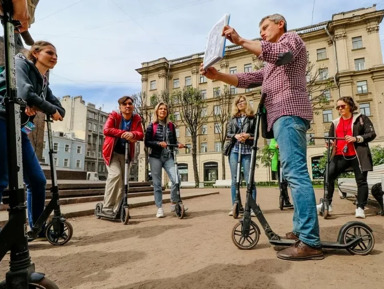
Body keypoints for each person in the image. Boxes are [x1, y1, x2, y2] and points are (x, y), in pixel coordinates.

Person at [200, 14, 323, 260]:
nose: (262, 33)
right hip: (279, 118)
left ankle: (310, 241)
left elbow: (276, 52)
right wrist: (219, 76)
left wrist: (240, 40)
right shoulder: (271, 65)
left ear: (281, 24)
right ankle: (301, 231)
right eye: (260, 30)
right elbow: (247, 79)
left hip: (289, 113)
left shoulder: (292, 41)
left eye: (265, 28)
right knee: (291, 172)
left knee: (296, 173)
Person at [0, 41, 65, 238]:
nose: (54, 57)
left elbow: (60, 109)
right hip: (2, 119)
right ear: (35, 53)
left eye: (56, 54)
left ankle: (37, 228)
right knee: (1, 178)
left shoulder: (44, 82)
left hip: (18, 128)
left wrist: (37, 104)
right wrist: (40, 104)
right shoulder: (19, 64)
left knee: (37, 181)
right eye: (50, 52)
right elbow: (24, 92)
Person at [316, 96, 376, 218]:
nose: (340, 109)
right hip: (339, 155)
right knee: (328, 175)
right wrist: (329, 142)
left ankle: (360, 207)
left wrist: (357, 138)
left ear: (350, 106)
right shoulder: (335, 122)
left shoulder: (361, 119)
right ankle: (327, 203)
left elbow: (371, 134)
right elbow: (331, 138)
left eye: (342, 106)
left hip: (357, 155)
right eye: (338, 107)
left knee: (361, 181)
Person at [101, 96, 144, 214]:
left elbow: (140, 134)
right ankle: (107, 206)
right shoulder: (114, 116)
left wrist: (133, 134)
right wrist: (124, 133)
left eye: (130, 103)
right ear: (120, 107)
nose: (128, 106)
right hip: (111, 153)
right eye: (124, 104)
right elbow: (106, 129)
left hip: (126, 154)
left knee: (124, 182)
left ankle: (118, 207)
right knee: (115, 175)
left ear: (133, 106)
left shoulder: (136, 118)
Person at [145, 102, 185, 218]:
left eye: (165, 109)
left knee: (176, 179)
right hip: (155, 157)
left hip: (168, 157)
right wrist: (158, 143)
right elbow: (147, 142)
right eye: (161, 109)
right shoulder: (151, 125)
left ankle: (173, 203)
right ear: (157, 111)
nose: (163, 111)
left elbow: (173, 141)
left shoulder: (171, 125)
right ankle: (159, 208)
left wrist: (179, 144)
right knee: (157, 184)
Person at [226, 95, 256, 216]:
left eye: (242, 101)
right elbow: (228, 133)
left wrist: (248, 135)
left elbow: (255, 133)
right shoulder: (232, 118)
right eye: (238, 102)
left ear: (246, 103)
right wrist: (236, 136)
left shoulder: (252, 118)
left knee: (250, 180)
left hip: (248, 150)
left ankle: (252, 206)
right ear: (236, 105)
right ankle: (236, 205)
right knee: (234, 179)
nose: (241, 103)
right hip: (234, 150)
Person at [269, 138, 293, 208]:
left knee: (286, 181)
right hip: (278, 162)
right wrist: (276, 145)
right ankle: (285, 199)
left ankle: (286, 199)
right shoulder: (274, 138)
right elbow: (271, 145)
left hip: (286, 161)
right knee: (281, 182)